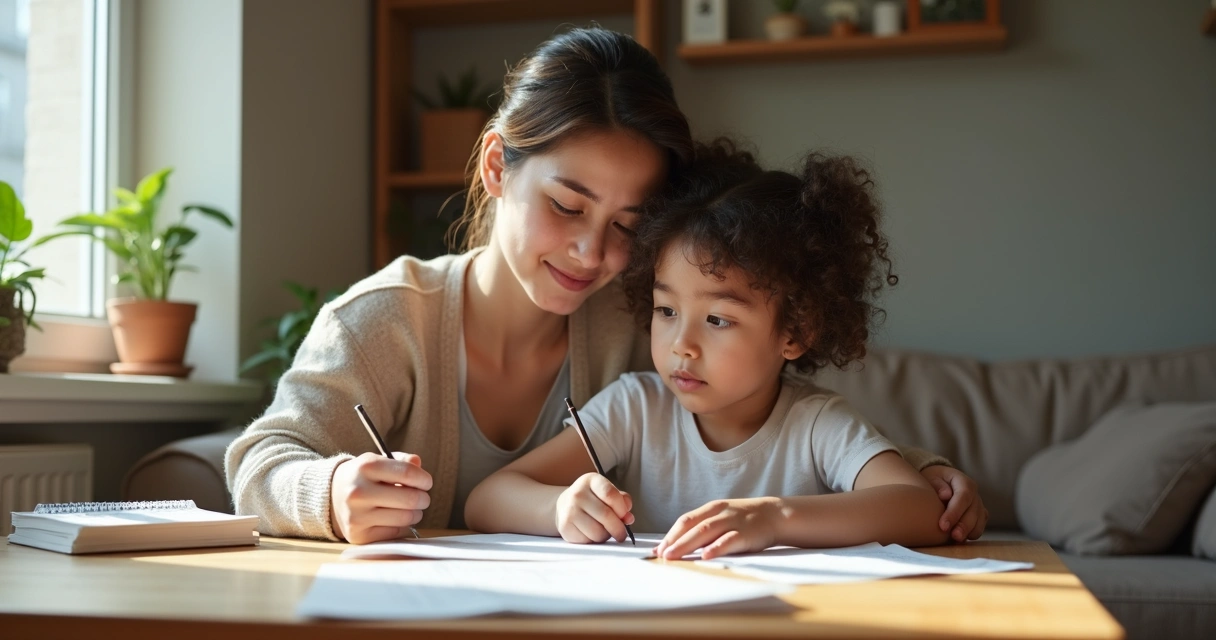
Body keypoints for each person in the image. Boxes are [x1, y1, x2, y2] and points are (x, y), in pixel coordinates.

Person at [225, 28, 987, 545]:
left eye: (629, 224)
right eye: (566, 206)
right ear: (497, 168)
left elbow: (763, 420)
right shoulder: (384, 323)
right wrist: (329, 493)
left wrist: (923, 475)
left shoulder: (640, 325)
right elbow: (258, 463)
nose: (593, 253)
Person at [466, 141, 959, 558]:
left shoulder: (815, 424)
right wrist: (560, 508)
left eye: (719, 319)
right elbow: (487, 499)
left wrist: (774, 518)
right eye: (667, 311)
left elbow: (917, 508)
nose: (682, 345)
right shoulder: (634, 409)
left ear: (796, 330)